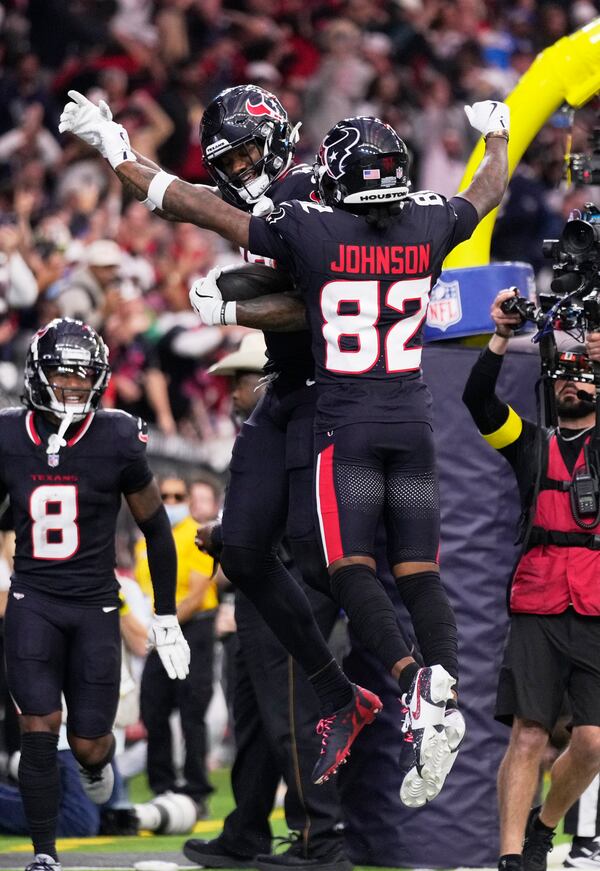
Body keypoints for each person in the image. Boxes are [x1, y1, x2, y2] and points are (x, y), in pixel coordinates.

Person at [58, 91, 508, 801]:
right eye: (228, 159)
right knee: (240, 549)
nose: (242, 167)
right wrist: (113, 144)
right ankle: (346, 693)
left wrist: (233, 306)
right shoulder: (327, 207)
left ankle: (396, 690)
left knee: (334, 563)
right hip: (307, 394)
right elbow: (184, 199)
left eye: (247, 151)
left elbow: (317, 297)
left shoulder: (309, 198)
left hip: (330, 398)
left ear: (282, 141)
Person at [1, 317, 190, 871]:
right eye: (63, 376)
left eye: (85, 379)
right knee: (37, 726)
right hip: (33, 598)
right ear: (38, 376)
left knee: (89, 744)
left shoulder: (116, 436)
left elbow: (156, 528)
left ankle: (95, 761)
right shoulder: (10, 434)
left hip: (95, 606)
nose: (75, 389)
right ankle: (44, 854)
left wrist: (165, 615)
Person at [184, 332, 350, 871]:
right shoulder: (272, 432)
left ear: (270, 379)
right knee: (253, 716)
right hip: (263, 586)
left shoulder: (294, 430)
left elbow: (282, 520)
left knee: (295, 713)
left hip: (291, 584)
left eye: (240, 380)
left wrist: (224, 534)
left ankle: (318, 839)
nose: (231, 392)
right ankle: (247, 829)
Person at [462, 288, 600, 871]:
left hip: (595, 601)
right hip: (539, 599)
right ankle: (514, 857)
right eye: (566, 376)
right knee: (528, 734)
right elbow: (478, 401)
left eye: (587, 376)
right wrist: (500, 335)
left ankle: (545, 828)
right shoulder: (530, 443)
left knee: (593, 742)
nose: (575, 383)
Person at [134, 472, 217, 815]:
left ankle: (196, 791)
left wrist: (164, 625)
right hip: (162, 630)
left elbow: (198, 593)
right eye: (163, 496)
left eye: (176, 497)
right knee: (153, 709)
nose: (169, 503)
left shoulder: (194, 535)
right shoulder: (144, 542)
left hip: (192, 629)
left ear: (187, 501)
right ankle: (162, 786)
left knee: (191, 712)